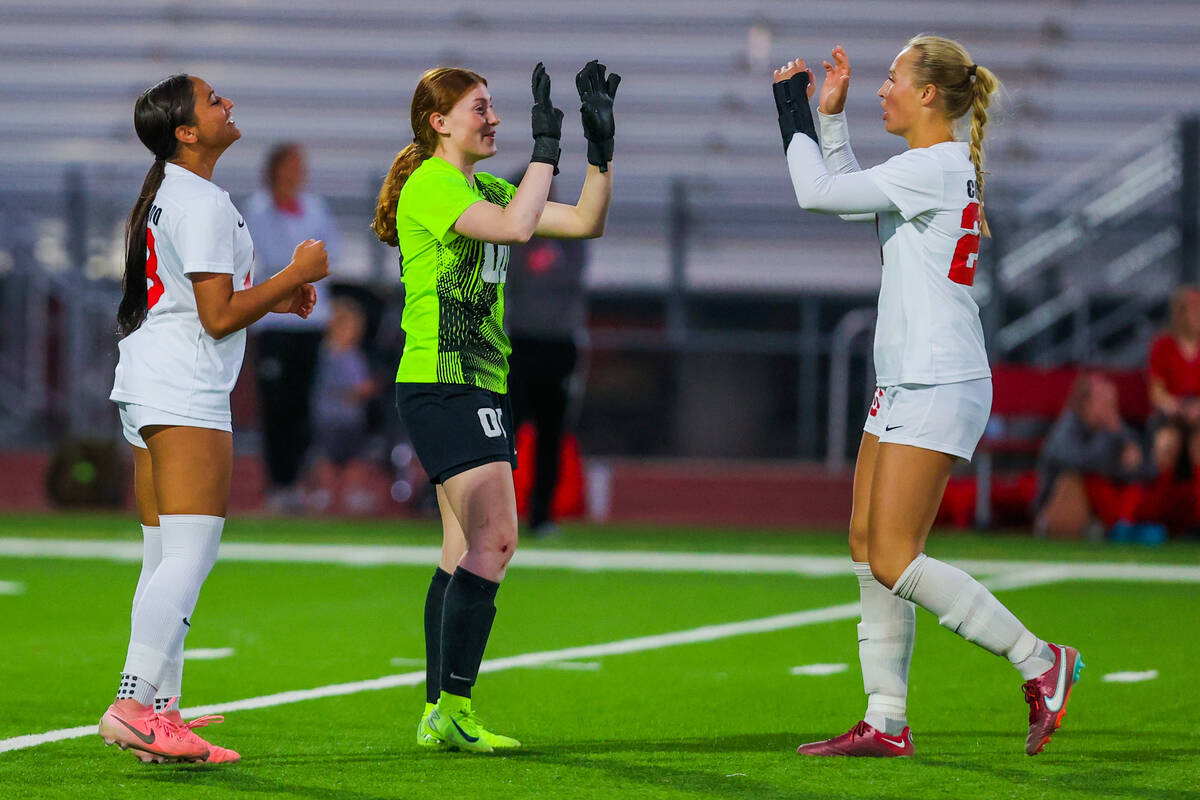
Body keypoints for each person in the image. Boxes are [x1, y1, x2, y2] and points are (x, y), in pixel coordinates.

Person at [773, 37, 1082, 757]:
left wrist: (791, 113)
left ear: (929, 96)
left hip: (938, 378)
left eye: (891, 80)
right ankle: (885, 720)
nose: (882, 89)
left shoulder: (934, 167)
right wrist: (832, 120)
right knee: (866, 548)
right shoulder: (933, 167)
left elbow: (815, 193)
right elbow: (850, 201)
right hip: (912, 377)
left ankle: (1041, 660)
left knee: (894, 557)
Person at [371, 60, 618, 753]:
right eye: (480, 108)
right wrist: (547, 147)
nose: (494, 119)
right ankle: (453, 704)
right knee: (498, 539)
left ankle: (437, 711)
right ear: (438, 122)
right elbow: (513, 229)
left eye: (492, 107)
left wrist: (599, 151)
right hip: (445, 383)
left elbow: (587, 222)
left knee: (461, 548)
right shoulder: (432, 185)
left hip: (478, 384)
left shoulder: (488, 187)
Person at [100, 74, 329, 763]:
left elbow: (207, 301)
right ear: (187, 131)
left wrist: (273, 299)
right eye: (211, 100)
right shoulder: (199, 198)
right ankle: (135, 704)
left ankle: (160, 714)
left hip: (150, 380)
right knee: (192, 552)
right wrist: (294, 276)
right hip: (183, 388)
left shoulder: (175, 191)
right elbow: (215, 315)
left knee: (164, 554)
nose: (226, 102)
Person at [243, 142, 343, 513]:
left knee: (303, 405)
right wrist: (299, 270)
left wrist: (303, 271)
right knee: (276, 404)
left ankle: (297, 482)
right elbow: (262, 258)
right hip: (273, 319)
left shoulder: (315, 208)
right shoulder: (256, 210)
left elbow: (333, 254)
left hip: (311, 320)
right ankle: (278, 483)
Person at [505, 180, 590, 537]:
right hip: (518, 342)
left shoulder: (567, 229)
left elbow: (569, 277)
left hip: (557, 343)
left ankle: (542, 515)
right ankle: (495, 510)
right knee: (501, 431)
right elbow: (511, 279)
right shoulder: (508, 233)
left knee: (551, 434)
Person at [1035, 372, 1161, 543]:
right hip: (1056, 507)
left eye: (1112, 399)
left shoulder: (1118, 431)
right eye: (1103, 399)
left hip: (1101, 506)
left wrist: (1130, 457)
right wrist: (1111, 435)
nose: (1110, 405)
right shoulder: (1067, 429)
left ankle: (1118, 527)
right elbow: (1079, 462)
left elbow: (1146, 470)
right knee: (1073, 480)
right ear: (1086, 404)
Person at [305, 295, 380, 514]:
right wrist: (368, 388)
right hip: (333, 417)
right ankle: (328, 492)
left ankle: (349, 492)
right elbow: (349, 387)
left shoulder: (350, 355)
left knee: (351, 457)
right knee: (330, 457)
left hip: (347, 417)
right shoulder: (333, 356)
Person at [1147, 284, 1200, 525]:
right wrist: (1173, 407)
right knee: (1165, 444)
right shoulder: (1164, 345)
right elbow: (1156, 390)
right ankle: (1159, 515)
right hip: (1172, 413)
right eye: (1192, 309)